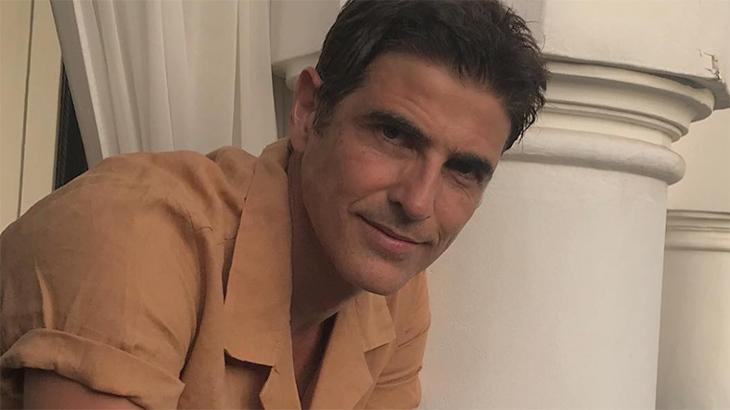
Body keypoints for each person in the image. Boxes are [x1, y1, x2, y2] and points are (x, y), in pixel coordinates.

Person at [0, 0, 546, 408]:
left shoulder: (391, 293)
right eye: (393, 135)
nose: (418, 202)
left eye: (463, 170)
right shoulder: (135, 234)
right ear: (307, 111)